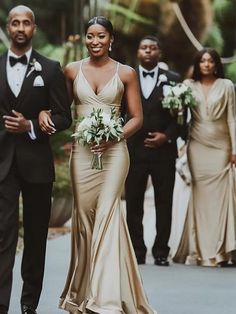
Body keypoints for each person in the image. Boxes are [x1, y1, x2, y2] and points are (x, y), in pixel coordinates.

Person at [39, 16, 156, 314]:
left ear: (111, 39)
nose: (94, 42)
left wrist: (115, 135)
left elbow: (137, 119)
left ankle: (105, 300)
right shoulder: (71, 70)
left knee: (107, 214)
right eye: (90, 36)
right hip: (82, 153)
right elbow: (61, 110)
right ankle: (83, 291)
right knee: (83, 219)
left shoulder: (126, 73)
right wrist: (43, 112)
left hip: (115, 154)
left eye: (101, 36)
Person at [0, 5, 72, 314]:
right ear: (7, 27)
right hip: (2, 163)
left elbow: (64, 116)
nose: (20, 28)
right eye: (14, 22)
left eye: (25, 23)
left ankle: (29, 302)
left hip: (37, 164)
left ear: (34, 28)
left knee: (35, 237)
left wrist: (31, 125)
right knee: (3, 236)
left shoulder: (51, 68)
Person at [172, 48, 236, 267]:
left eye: (210, 61)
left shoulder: (227, 86)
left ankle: (221, 250)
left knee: (221, 200)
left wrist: (234, 149)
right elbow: (179, 116)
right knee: (200, 198)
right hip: (197, 146)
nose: (206, 65)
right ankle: (200, 249)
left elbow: (232, 120)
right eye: (203, 61)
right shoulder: (188, 87)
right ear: (198, 65)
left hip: (221, 146)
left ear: (216, 64)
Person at [125, 35, 181, 266]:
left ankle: (161, 251)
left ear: (159, 52)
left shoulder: (174, 80)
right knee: (134, 204)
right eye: (144, 47)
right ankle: (137, 250)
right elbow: (120, 112)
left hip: (163, 153)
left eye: (152, 48)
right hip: (134, 151)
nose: (148, 51)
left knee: (164, 203)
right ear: (138, 52)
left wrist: (166, 136)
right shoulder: (127, 78)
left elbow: (182, 116)